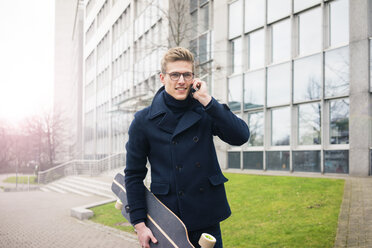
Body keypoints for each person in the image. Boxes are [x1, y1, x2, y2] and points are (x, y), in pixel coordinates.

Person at [124, 47, 249, 248]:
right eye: (174, 75)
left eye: (187, 75)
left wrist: (208, 101)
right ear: (162, 78)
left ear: (194, 78)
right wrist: (139, 224)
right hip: (167, 218)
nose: (181, 81)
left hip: (206, 215)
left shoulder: (205, 109)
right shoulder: (143, 121)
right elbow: (133, 175)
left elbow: (241, 136)